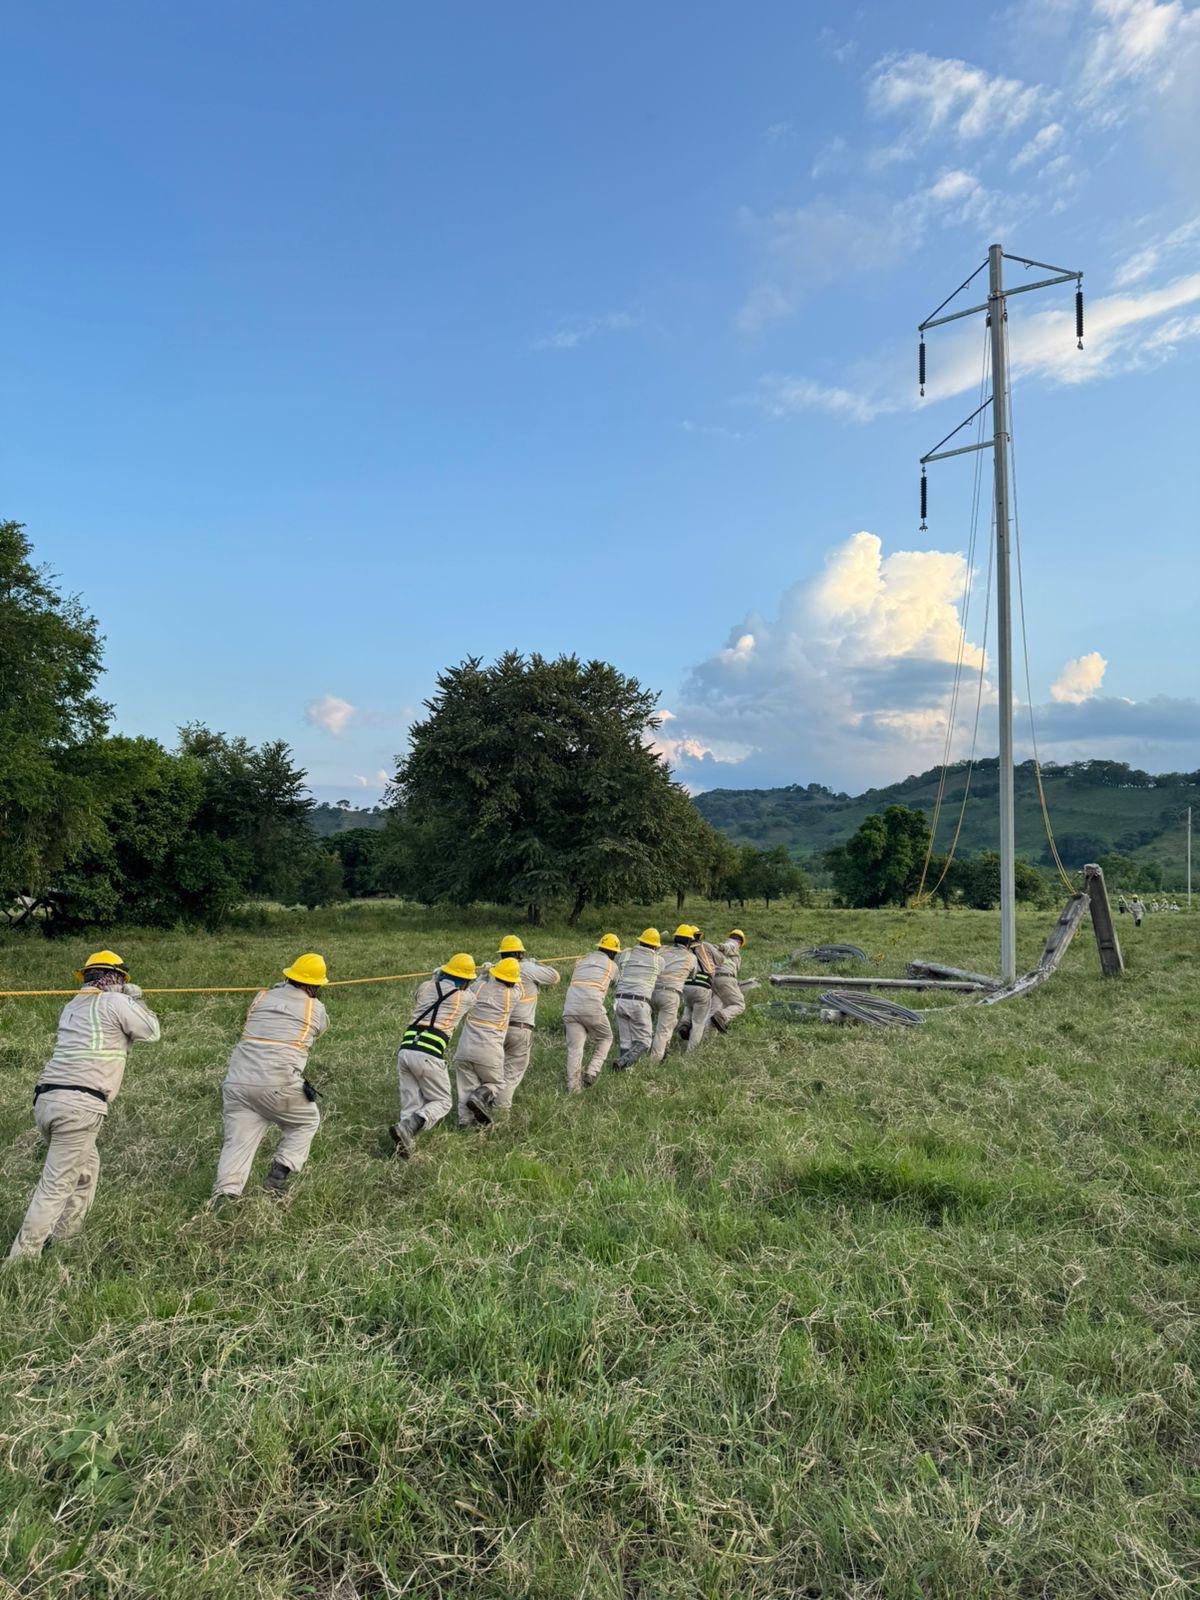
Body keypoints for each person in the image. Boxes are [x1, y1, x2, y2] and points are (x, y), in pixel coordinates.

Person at [8, 950, 161, 1261]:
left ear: (87, 977)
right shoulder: (116, 1002)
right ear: (118, 978)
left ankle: (65, 1239)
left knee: (86, 1172)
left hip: (48, 1099)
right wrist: (135, 999)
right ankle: (23, 1258)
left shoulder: (72, 1006)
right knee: (56, 1185)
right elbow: (151, 1032)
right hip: (80, 1107)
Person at [212, 953, 330, 1199]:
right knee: (306, 1121)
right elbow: (320, 1028)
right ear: (315, 986)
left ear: (289, 976)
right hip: (278, 1082)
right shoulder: (315, 1008)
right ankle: (278, 1177)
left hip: (237, 1082)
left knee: (238, 1142)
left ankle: (226, 1195)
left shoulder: (262, 997)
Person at [390, 953, 477, 1156]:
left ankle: (404, 1145)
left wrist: (436, 976)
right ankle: (411, 1126)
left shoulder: (426, 987)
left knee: (411, 1102)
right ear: (465, 981)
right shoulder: (464, 998)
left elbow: (420, 996)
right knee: (443, 1102)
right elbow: (473, 996)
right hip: (429, 1053)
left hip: (406, 1049)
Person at [491, 935, 561, 1112]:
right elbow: (555, 977)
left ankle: (484, 1100)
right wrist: (537, 964)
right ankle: (500, 1114)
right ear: (520, 954)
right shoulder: (528, 968)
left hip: (496, 1028)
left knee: (494, 1070)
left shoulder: (494, 972)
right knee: (511, 1074)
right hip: (520, 1028)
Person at [454, 956, 522, 1129]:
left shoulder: (478, 987)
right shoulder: (512, 995)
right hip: (489, 1051)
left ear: (495, 974)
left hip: (464, 1049)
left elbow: (474, 984)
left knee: (465, 1089)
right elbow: (519, 986)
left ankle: (465, 1124)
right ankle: (479, 1096)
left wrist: (486, 972)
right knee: (497, 1083)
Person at [562, 935, 621, 1092]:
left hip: (570, 1008)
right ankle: (592, 1072)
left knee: (575, 1049)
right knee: (606, 1038)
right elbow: (616, 983)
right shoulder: (612, 965)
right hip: (592, 1007)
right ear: (613, 952)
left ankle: (573, 1088)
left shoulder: (581, 961)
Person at [612, 929, 664, 1069]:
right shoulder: (659, 960)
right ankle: (623, 1062)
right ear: (656, 946)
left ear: (640, 941)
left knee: (625, 1041)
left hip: (620, 1001)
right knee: (645, 1042)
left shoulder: (625, 954)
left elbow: (617, 960)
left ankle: (624, 1071)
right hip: (639, 1002)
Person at [648, 925, 698, 1063]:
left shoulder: (662, 949)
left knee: (650, 1023)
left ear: (675, 938)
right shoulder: (691, 957)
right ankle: (654, 1062)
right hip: (671, 994)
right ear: (689, 942)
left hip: (651, 990)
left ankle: (648, 1046)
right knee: (663, 1030)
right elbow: (693, 976)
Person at [678, 928, 722, 1052]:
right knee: (698, 1022)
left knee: (689, 1004)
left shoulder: (684, 950)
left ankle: (685, 1023)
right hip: (703, 984)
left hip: (686, 983)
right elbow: (720, 959)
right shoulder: (705, 945)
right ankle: (690, 1053)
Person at [709, 929, 747, 1034]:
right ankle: (723, 1016)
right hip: (725, 978)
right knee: (739, 1004)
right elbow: (729, 945)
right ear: (740, 942)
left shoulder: (721, 953)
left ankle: (707, 1038)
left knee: (714, 1010)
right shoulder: (733, 944)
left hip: (714, 980)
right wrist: (720, 946)